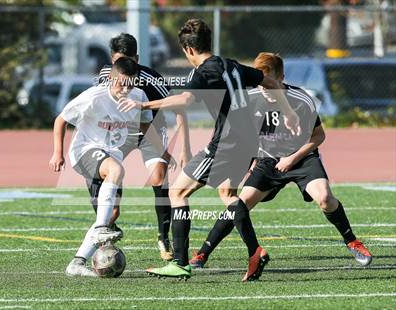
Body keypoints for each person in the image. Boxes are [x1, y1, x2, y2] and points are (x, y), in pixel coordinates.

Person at [118, 20, 300, 281]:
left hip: (226, 143)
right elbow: (270, 81)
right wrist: (289, 112)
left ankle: (180, 262)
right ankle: (255, 251)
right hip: (248, 141)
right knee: (228, 194)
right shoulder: (233, 65)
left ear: (189, 50)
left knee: (178, 192)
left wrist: (144, 106)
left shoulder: (202, 71)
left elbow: (184, 100)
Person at [189, 52, 373, 269]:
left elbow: (318, 136)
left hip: (303, 159)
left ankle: (352, 240)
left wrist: (292, 158)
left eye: (271, 84)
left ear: (282, 77)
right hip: (268, 162)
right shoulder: (250, 99)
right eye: (262, 84)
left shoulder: (301, 99)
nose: (266, 90)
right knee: (240, 204)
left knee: (325, 198)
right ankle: (202, 254)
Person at [49, 57, 166, 276]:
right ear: (111, 79)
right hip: (84, 151)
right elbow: (61, 119)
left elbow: (145, 124)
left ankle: (77, 262)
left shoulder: (138, 96)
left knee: (110, 214)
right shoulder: (94, 97)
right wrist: (57, 153)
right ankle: (101, 229)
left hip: (110, 155)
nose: (126, 88)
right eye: (121, 83)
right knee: (116, 171)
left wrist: (163, 150)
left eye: (130, 83)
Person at [99, 33, 192, 261]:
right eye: (119, 62)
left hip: (149, 130)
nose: (124, 70)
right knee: (110, 183)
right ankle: (106, 234)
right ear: (113, 60)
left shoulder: (152, 80)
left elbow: (179, 108)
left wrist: (183, 149)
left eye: (129, 62)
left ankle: (163, 237)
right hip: (119, 133)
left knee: (159, 178)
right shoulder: (104, 76)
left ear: (137, 58)